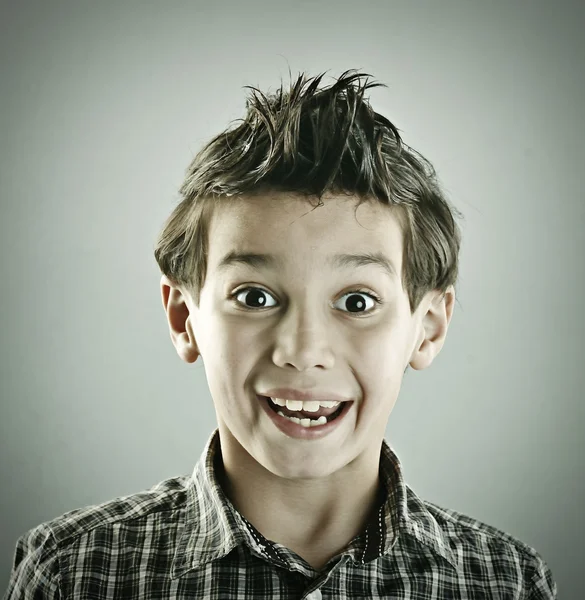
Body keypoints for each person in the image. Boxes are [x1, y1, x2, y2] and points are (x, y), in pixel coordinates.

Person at [4, 69, 557, 599]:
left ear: (427, 329)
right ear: (184, 317)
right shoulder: (72, 574)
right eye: (254, 297)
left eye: (357, 302)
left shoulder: (507, 582)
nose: (302, 351)